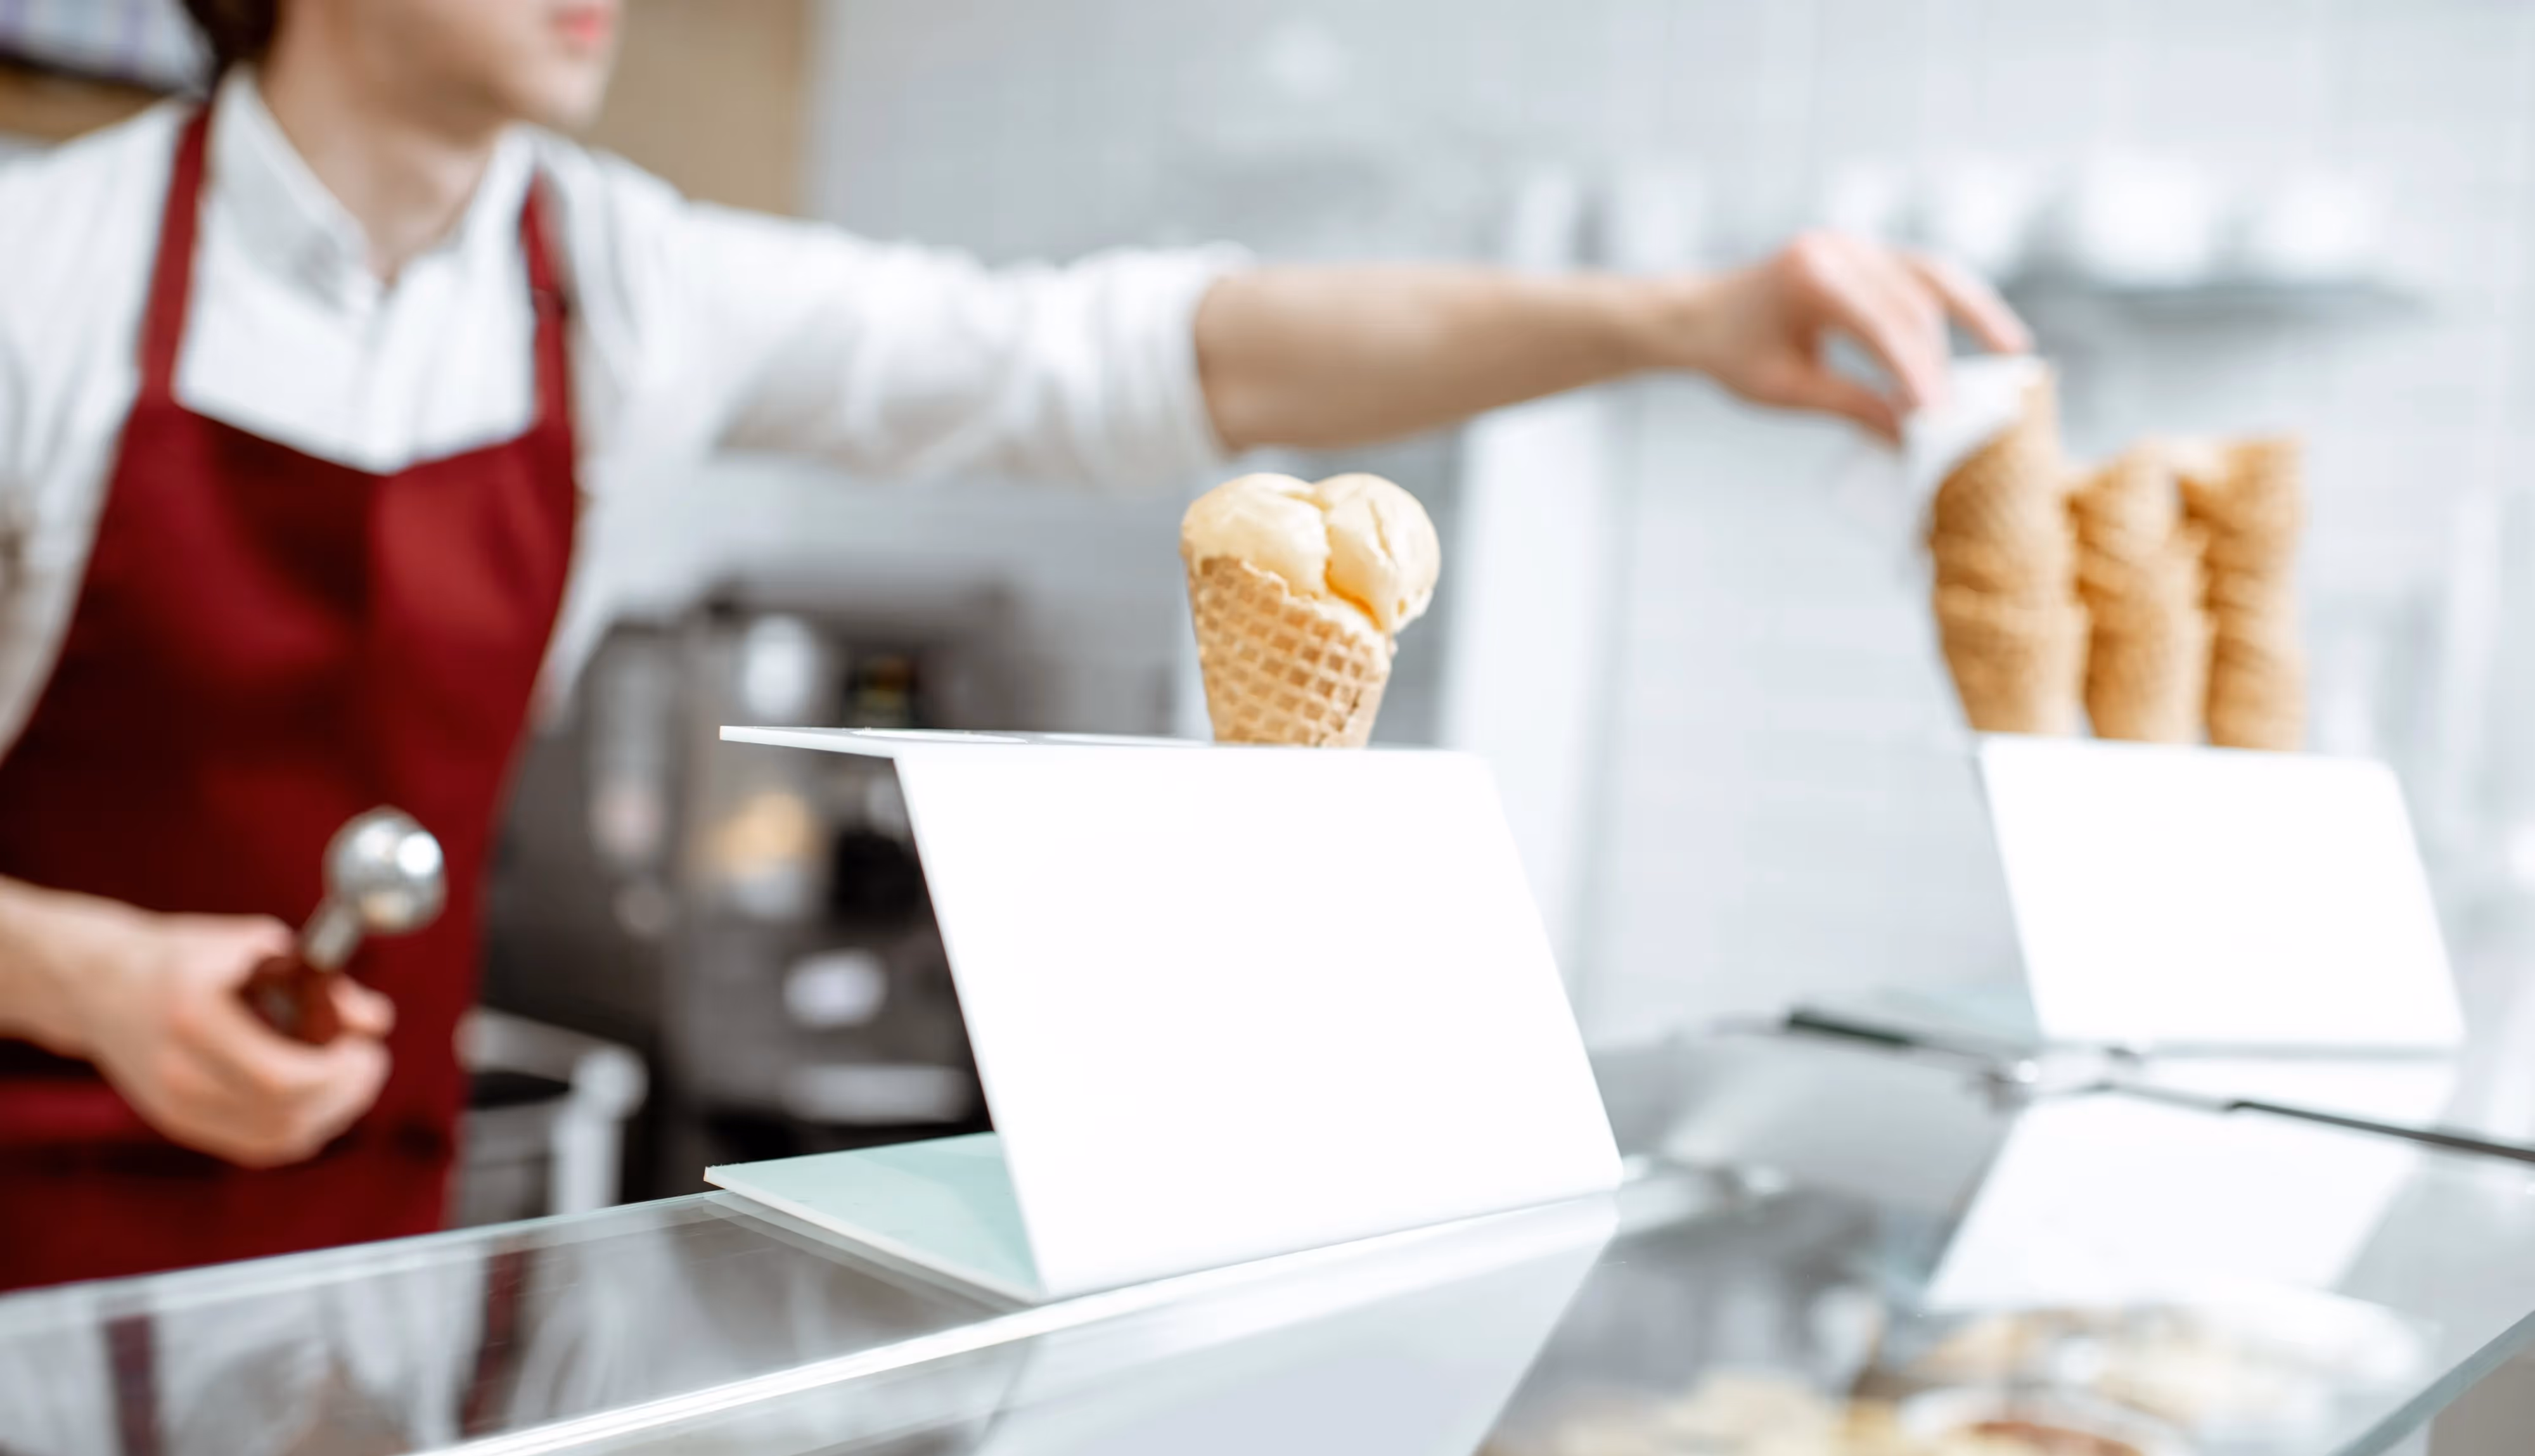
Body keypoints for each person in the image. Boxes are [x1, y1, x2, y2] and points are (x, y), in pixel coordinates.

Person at [0, 0, 2029, 1291]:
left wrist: (1661, 325)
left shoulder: (612, 277)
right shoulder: (48, 269)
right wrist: (83, 967)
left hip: (365, 1231)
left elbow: (1141, 353)